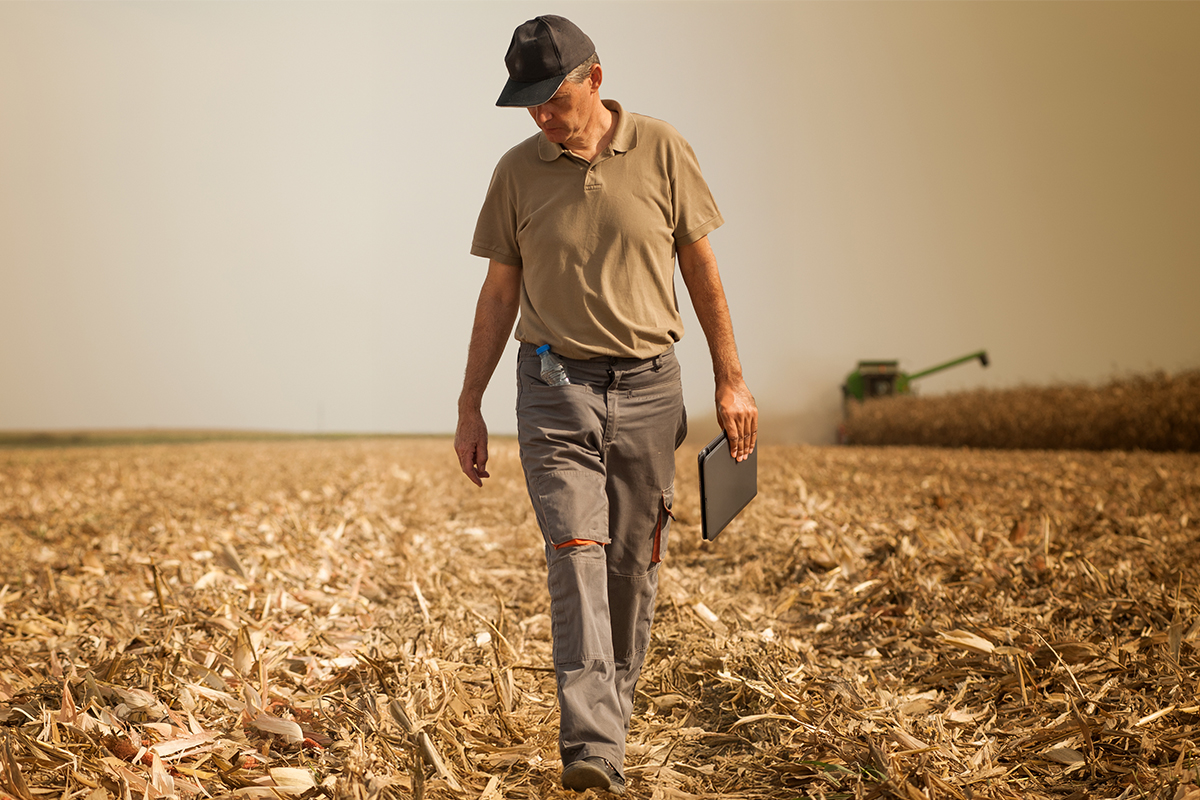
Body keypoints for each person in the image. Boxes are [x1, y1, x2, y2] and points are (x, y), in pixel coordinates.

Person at [454, 14, 757, 796]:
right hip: (554, 390)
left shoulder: (662, 148)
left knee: (630, 563)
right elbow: (498, 294)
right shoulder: (517, 172)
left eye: (550, 100)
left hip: (652, 387)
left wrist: (730, 378)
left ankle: (607, 723)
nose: (540, 118)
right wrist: (469, 403)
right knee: (576, 554)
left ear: (595, 78)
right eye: (527, 105)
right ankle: (592, 745)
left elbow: (703, 270)